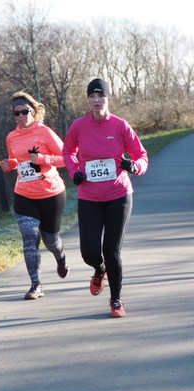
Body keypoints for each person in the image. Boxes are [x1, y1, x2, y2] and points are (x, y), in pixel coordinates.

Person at [62, 78, 148, 318]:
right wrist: (74, 171)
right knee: (89, 252)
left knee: (112, 250)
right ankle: (100, 270)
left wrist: (134, 166)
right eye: (92, 96)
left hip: (118, 195)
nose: (97, 100)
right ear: (88, 99)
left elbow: (141, 155)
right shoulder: (79, 126)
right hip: (89, 196)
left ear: (108, 99)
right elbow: (68, 151)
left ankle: (116, 300)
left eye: (101, 96)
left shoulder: (120, 126)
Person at [0, 91, 69, 300]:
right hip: (24, 194)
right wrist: (9, 164)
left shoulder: (45, 133)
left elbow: (66, 158)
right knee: (30, 239)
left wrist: (42, 159)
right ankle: (35, 285)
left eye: (24, 112)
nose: (20, 116)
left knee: (50, 240)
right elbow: (16, 160)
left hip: (51, 193)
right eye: (16, 113)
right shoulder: (12, 137)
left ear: (33, 112)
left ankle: (61, 257)